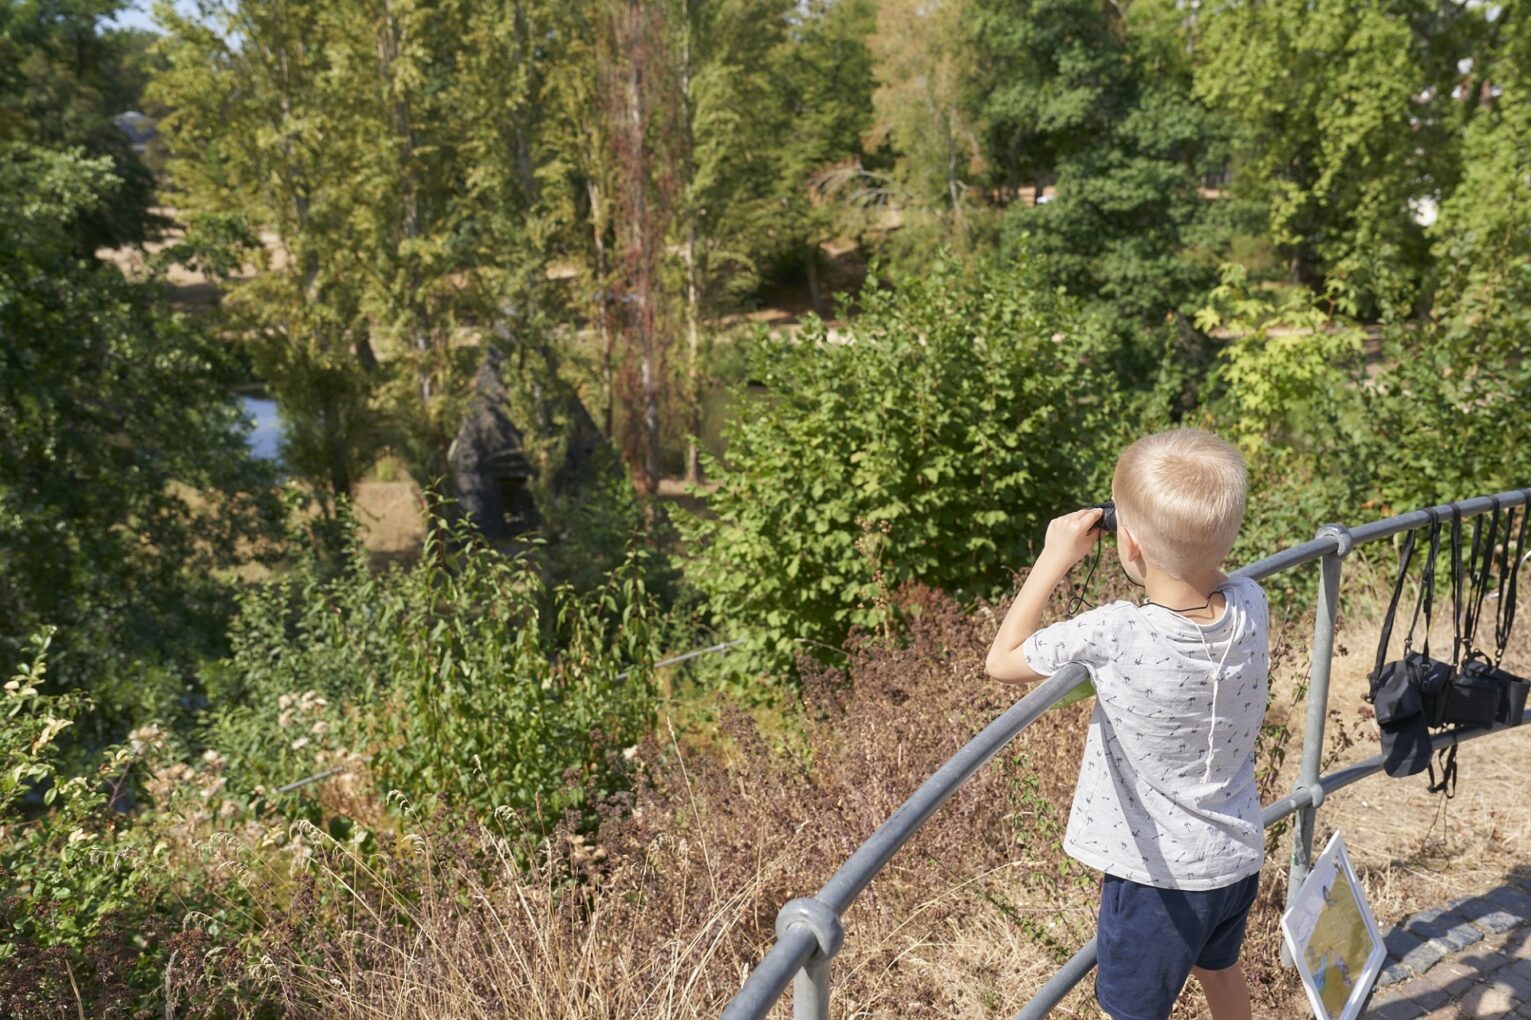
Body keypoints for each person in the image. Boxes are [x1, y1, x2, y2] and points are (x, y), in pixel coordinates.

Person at [985, 429, 1268, 1020]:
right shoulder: (1250, 603)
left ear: (1128, 543)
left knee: (1132, 1010)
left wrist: (1054, 556)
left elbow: (1001, 660)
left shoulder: (1117, 632)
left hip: (1156, 879)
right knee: (1220, 969)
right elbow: (1207, 571)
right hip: (1233, 854)